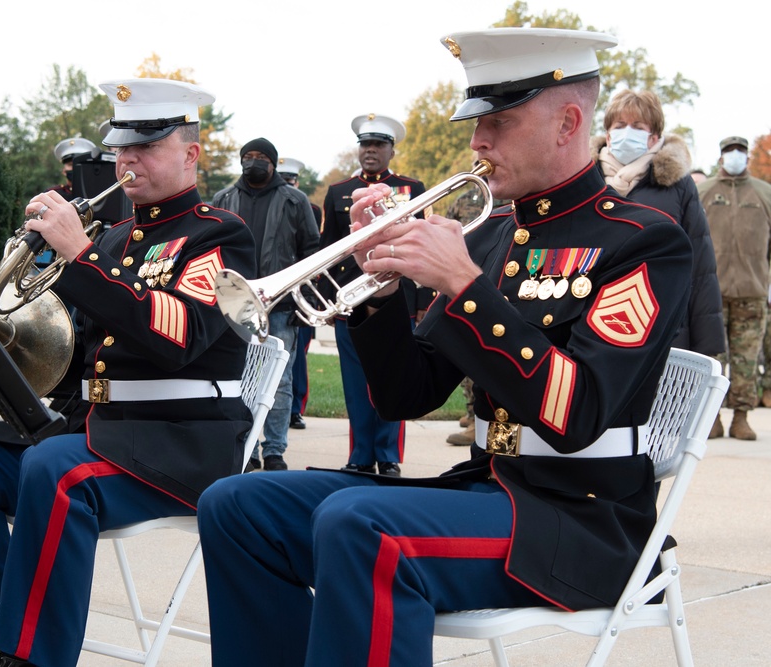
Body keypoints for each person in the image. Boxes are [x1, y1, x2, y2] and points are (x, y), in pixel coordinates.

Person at [197, 28, 693, 667]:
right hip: (486, 488)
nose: (476, 143)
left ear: (569, 122)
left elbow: (578, 415)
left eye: (500, 123)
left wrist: (463, 286)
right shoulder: (492, 237)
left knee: (361, 526)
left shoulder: (645, 241)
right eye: (476, 123)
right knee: (238, 503)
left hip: (581, 523)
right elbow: (408, 394)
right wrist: (375, 290)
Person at [0, 78, 257, 667]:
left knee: (55, 470)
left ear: (192, 153)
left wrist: (79, 258)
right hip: (95, 430)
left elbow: (181, 335)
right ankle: (5, 626)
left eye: (146, 146)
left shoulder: (221, 235)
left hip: (180, 442)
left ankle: (30, 656)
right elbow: (70, 345)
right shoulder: (113, 236)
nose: (127, 159)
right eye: (122, 146)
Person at [319, 113, 427, 476]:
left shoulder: (412, 189)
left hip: (397, 300)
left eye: (378, 145)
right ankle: (361, 455)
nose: (370, 151)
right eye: (365, 144)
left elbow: (421, 245)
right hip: (350, 298)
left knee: (395, 376)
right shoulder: (337, 192)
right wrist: (327, 300)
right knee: (354, 382)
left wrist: (424, 302)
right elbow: (328, 251)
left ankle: (388, 456)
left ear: (391, 151)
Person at [211, 140, 320, 470]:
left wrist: (305, 302)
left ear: (272, 164)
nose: (253, 163)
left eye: (261, 158)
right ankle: (246, 447)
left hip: (281, 305)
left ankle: (274, 450)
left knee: (280, 381)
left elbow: (311, 251)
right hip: (235, 306)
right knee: (238, 378)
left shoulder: (295, 199)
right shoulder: (223, 199)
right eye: (248, 157)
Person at [592, 89, 724, 360]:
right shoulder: (584, 180)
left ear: (654, 137)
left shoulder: (678, 185)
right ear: (607, 134)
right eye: (620, 126)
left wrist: (706, 346)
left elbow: (700, 265)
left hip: (663, 326)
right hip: (590, 322)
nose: (627, 132)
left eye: (637, 127)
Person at [698, 136, 771, 439]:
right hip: (711, 291)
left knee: (746, 358)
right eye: (729, 151)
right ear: (721, 156)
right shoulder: (703, 192)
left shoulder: (764, 193)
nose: (736, 155)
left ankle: (741, 416)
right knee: (713, 358)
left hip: (752, 290)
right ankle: (711, 416)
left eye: (740, 151)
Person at [443, 166, 507, 447]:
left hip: (497, 287)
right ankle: (473, 415)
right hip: (463, 287)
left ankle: (480, 423)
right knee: (465, 357)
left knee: (492, 361)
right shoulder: (465, 199)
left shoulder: (512, 199)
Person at [277, 156, 322, 430]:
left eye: (290, 180)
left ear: (298, 182)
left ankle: (295, 408)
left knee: (297, 359)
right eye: (283, 179)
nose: (288, 185)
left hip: (298, 295)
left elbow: (313, 248)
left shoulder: (311, 208)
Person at [48, 136, 99, 201]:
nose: (75, 168)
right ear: (64, 171)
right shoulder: (52, 195)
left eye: (80, 164)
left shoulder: (101, 192)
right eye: (71, 165)